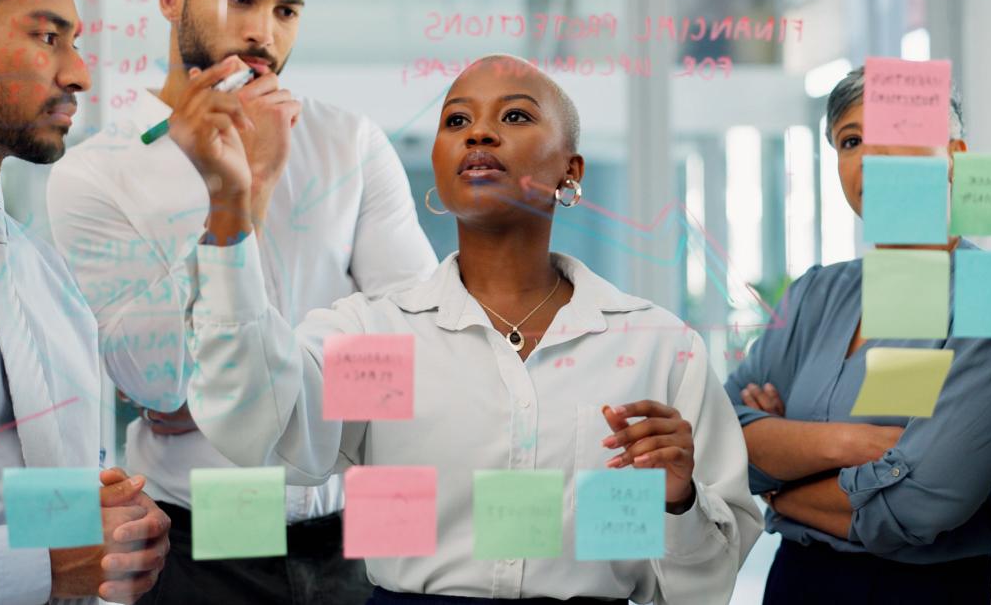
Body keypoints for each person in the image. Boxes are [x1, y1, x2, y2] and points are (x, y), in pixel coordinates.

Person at [168, 53, 761, 604]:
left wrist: (679, 502)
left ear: (569, 171)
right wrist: (228, 209)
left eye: (515, 115)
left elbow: (702, 587)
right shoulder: (382, 341)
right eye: (456, 120)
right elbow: (262, 425)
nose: (478, 132)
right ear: (438, 168)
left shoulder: (653, 349)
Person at [44, 0, 437, 603]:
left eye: (286, 10)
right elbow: (161, 384)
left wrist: (245, 386)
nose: (264, 32)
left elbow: (424, 346)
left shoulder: (350, 143)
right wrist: (242, 201)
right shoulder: (93, 176)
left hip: (355, 539)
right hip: (199, 549)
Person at [725, 67, 991, 604]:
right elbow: (723, 440)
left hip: (924, 592)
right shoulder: (816, 292)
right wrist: (854, 443)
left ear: (954, 155)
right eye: (851, 140)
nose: (871, 157)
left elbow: (925, 502)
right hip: (796, 582)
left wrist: (779, 481)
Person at [0, 0, 170, 603]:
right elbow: (44, 557)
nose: (78, 72)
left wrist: (114, 528)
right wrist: (41, 564)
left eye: (75, 42)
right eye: (47, 38)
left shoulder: (42, 274)